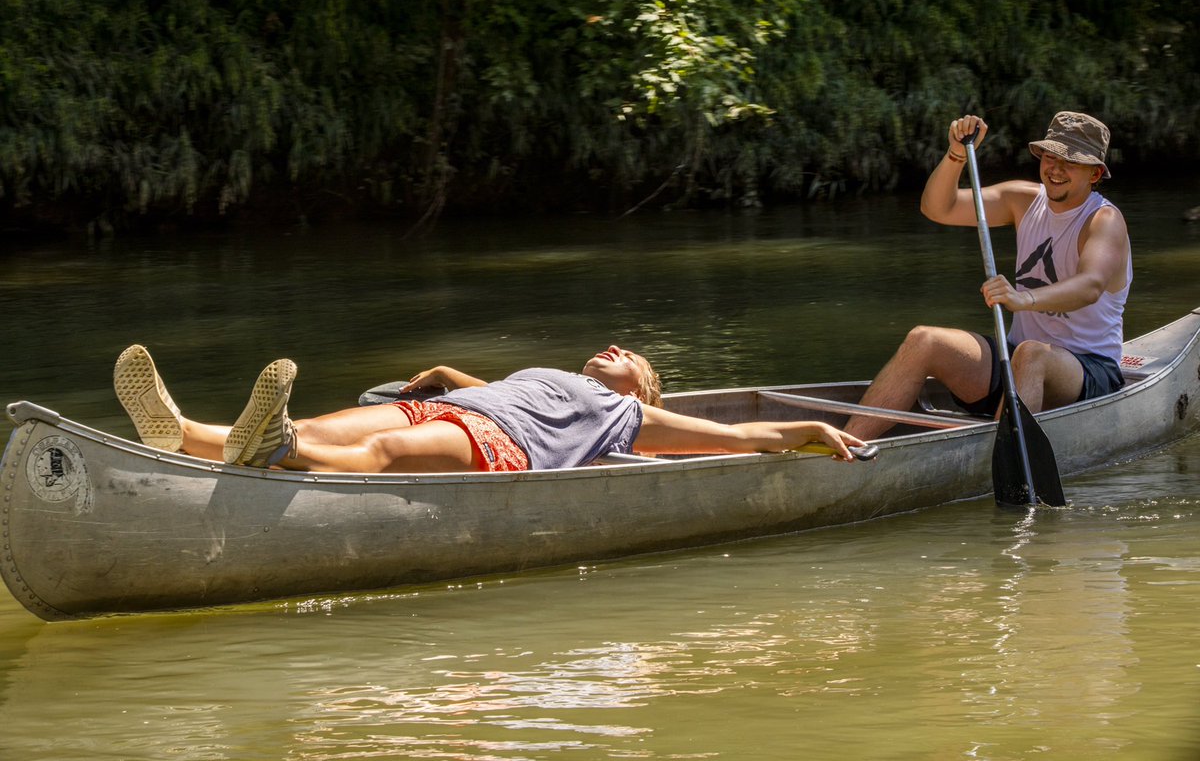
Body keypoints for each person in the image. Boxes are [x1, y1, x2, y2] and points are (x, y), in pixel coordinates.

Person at [113, 343, 870, 473]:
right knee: (312, 420)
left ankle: (274, 453)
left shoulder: (628, 417)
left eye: (628, 355)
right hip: (462, 404)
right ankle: (181, 432)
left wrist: (805, 427)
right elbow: (512, 389)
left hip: (493, 442)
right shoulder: (554, 373)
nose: (613, 349)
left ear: (642, 388)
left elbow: (735, 433)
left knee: (371, 460)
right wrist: (447, 373)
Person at [844, 111, 1131, 440]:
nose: (1056, 169)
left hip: (1089, 369)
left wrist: (1023, 299)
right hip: (1017, 361)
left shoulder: (1104, 220)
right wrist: (956, 154)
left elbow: (1090, 285)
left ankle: (993, 462)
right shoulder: (1022, 200)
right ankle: (848, 448)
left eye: (1070, 162)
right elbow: (938, 208)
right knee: (924, 340)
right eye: (1050, 157)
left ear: (1094, 173)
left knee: (1032, 354)